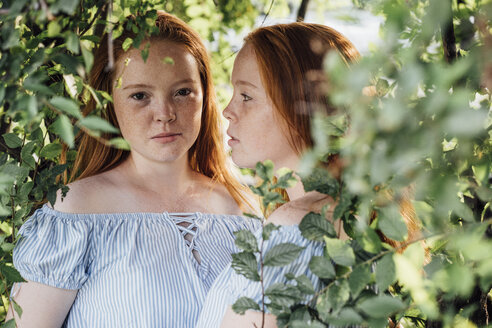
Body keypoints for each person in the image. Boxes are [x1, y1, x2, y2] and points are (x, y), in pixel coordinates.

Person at [6, 11, 259, 328]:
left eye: (182, 92)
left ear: (205, 95)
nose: (165, 114)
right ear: (110, 102)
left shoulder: (243, 211)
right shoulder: (76, 212)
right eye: (140, 95)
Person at [195, 22, 420, 328]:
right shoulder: (354, 217)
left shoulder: (297, 226)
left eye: (246, 96)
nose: (228, 110)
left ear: (303, 106)